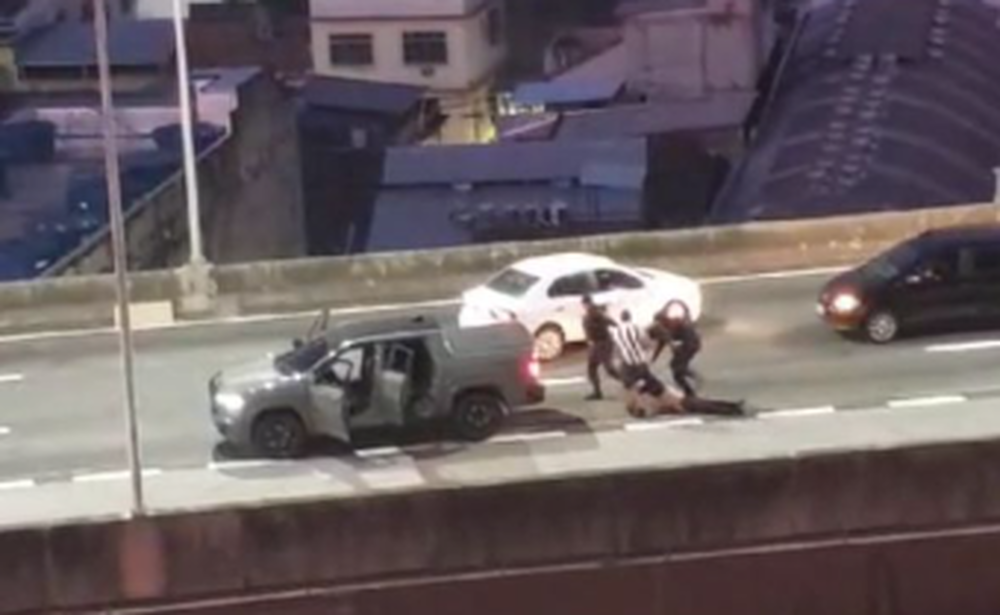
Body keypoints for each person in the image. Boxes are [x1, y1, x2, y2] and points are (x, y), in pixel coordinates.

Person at [650, 300, 702, 398]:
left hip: (691, 344)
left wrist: (675, 349)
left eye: (658, 321)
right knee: (677, 368)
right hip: (689, 344)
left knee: (677, 371)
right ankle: (691, 383)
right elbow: (661, 345)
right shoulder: (665, 327)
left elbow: (668, 342)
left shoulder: (671, 324)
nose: (657, 323)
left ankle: (690, 392)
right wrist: (653, 358)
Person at [608, 309, 655, 414]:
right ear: (630, 317)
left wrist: (616, 361)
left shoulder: (616, 331)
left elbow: (616, 348)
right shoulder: (638, 328)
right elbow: (647, 344)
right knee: (642, 384)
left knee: (628, 385)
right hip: (640, 361)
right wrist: (649, 358)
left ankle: (633, 405)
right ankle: (641, 405)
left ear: (621, 318)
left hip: (627, 362)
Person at [582, 294, 619, 400]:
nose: (586, 306)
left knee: (609, 369)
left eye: (586, 303)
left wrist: (618, 327)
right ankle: (597, 392)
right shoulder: (590, 313)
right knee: (592, 368)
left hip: (604, 343)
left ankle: (630, 384)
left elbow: (609, 321)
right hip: (596, 344)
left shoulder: (595, 313)